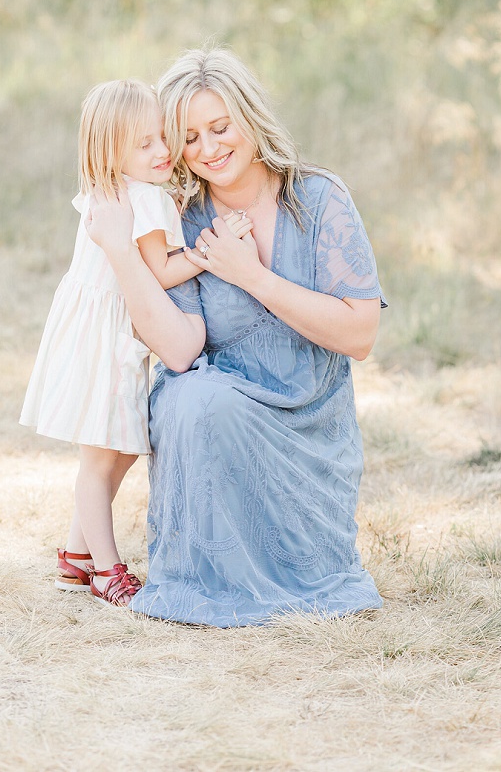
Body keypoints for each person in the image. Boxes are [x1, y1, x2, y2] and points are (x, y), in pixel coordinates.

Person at [86, 47, 386, 627]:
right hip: (217, 411)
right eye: (189, 137)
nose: (208, 149)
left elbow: (361, 334)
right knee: (195, 395)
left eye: (220, 128)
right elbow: (177, 349)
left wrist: (251, 275)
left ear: (249, 117)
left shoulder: (320, 198)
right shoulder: (179, 218)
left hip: (307, 429)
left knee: (205, 400)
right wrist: (123, 252)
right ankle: (201, 579)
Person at [22, 79, 236, 607]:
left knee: (116, 453)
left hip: (90, 332)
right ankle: (106, 570)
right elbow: (160, 272)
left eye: (163, 137)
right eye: (144, 144)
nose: (163, 151)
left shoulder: (110, 190)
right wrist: (209, 252)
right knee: (101, 461)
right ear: (111, 151)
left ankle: (76, 554)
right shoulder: (146, 200)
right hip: (107, 339)